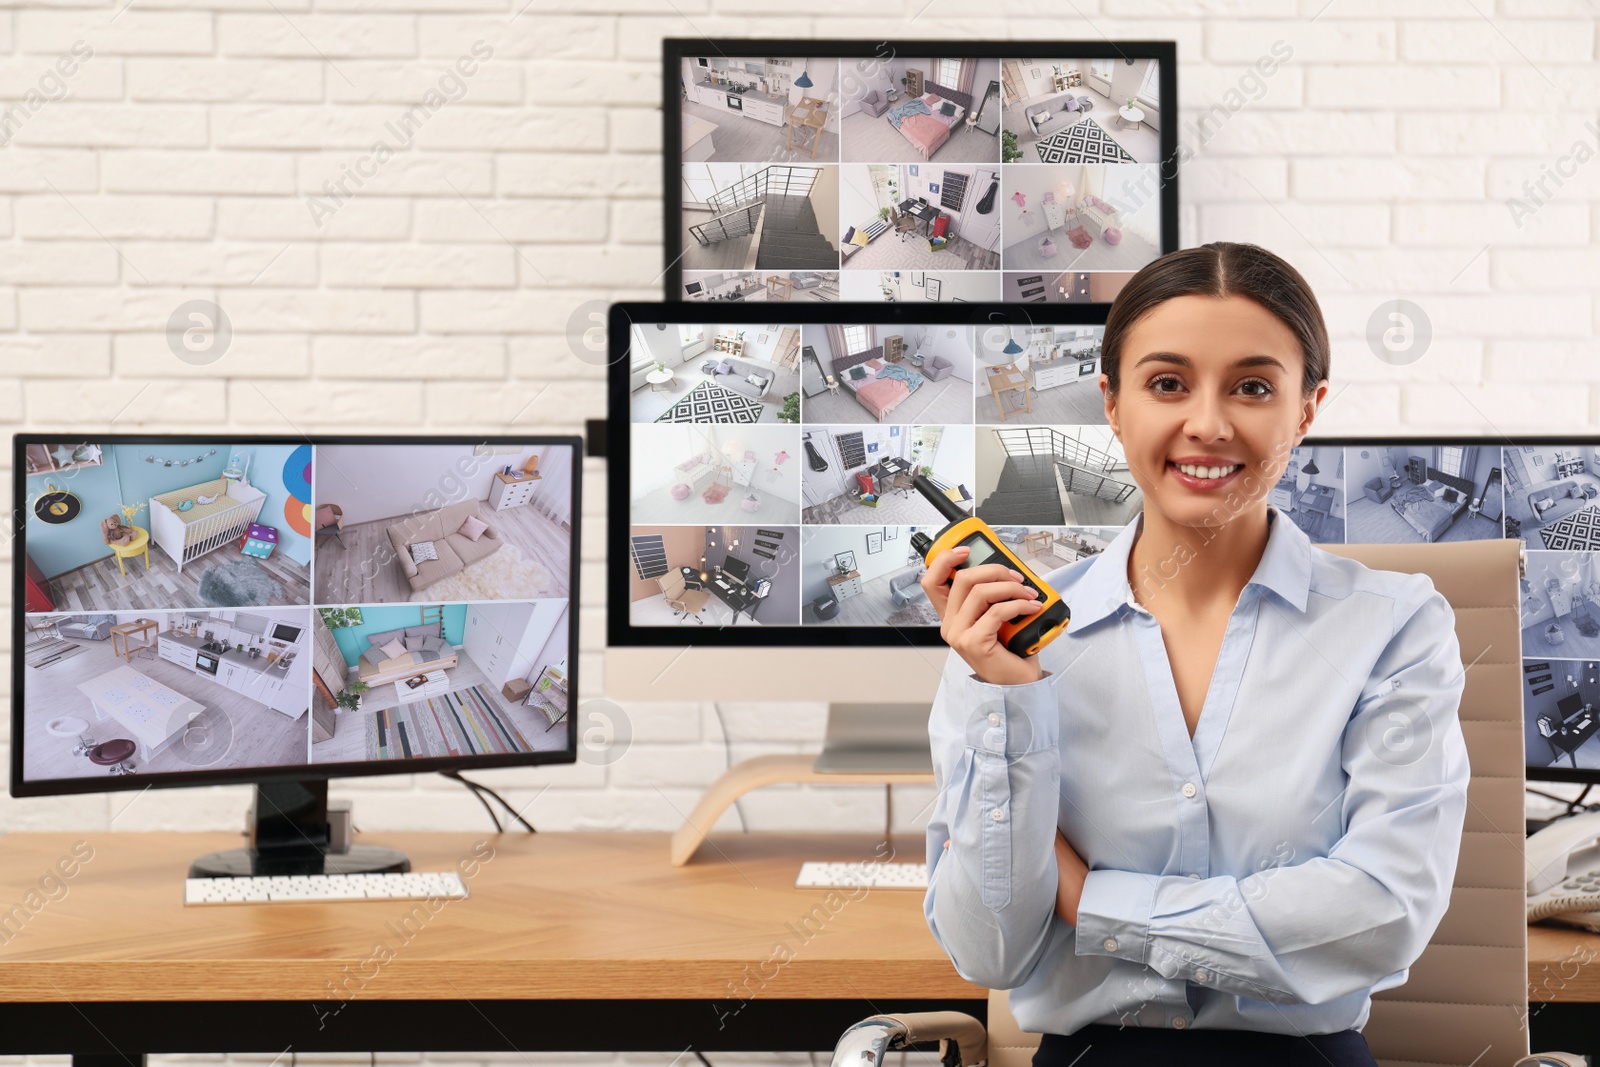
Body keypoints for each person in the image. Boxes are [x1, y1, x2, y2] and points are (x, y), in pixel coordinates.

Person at [920, 242, 1470, 1066]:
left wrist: (1090, 901)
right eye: (1167, 383)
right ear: (1112, 403)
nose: (1208, 423)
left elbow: (1384, 911)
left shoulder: (1394, 626)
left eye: (1252, 386)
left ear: (1307, 408)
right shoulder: (1009, 636)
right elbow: (988, 952)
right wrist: (1008, 698)